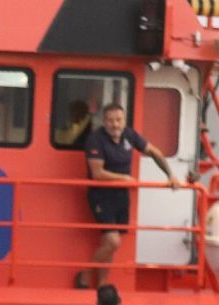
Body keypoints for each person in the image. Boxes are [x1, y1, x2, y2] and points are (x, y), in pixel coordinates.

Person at [77, 102, 181, 289]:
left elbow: (154, 151)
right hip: (100, 196)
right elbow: (98, 173)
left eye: (118, 120)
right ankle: (85, 276)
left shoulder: (129, 135)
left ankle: (101, 284)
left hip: (121, 197)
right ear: (104, 121)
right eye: (110, 120)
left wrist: (170, 175)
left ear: (124, 121)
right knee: (112, 241)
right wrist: (124, 178)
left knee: (109, 244)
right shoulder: (95, 139)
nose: (115, 124)